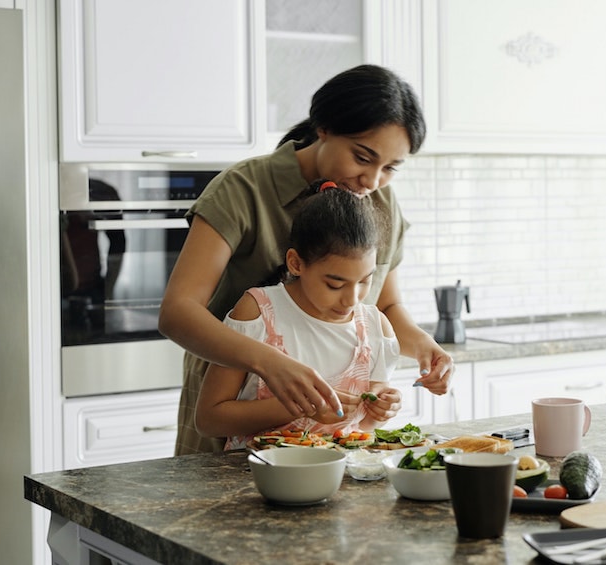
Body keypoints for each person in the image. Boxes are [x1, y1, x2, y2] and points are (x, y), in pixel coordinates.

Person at [158, 64, 455, 455]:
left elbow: (384, 305)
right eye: (362, 157)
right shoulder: (243, 189)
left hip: (330, 440)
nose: (373, 180)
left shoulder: (379, 200)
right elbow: (177, 312)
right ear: (324, 128)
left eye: (390, 168)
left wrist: (423, 346)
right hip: (233, 409)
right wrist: (270, 363)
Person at [195, 183, 401, 450]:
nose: (352, 299)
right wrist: (298, 407)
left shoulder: (375, 327)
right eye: (335, 284)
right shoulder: (258, 312)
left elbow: (364, 428)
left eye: (365, 281)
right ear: (296, 263)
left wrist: (382, 410)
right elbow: (209, 420)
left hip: (340, 478)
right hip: (256, 478)